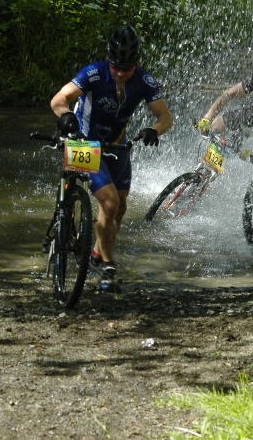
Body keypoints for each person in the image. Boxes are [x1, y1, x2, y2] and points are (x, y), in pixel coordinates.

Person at [50, 25, 173, 291]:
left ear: (136, 64)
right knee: (109, 202)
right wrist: (66, 115)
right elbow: (59, 99)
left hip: (116, 144)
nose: (119, 73)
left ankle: (95, 252)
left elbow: (165, 117)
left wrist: (155, 129)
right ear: (109, 61)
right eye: (115, 66)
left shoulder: (144, 81)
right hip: (84, 142)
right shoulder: (93, 73)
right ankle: (107, 264)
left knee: (120, 207)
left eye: (126, 69)